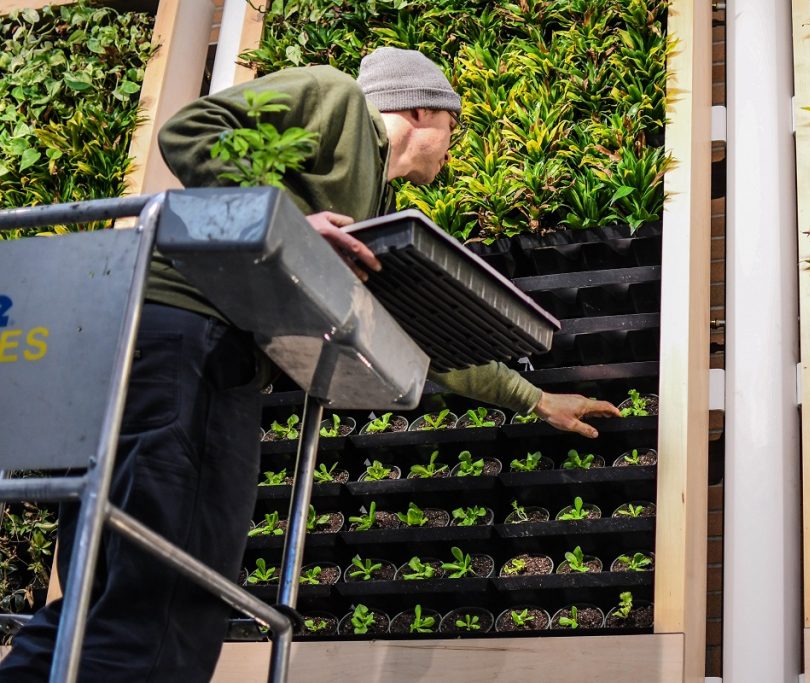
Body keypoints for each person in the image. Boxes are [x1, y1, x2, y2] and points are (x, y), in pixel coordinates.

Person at [0, 47, 619, 682]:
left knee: (93, 601)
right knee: (171, 601)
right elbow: (190, 129)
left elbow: (410, 339)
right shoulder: (339, 97)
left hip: (159, 353)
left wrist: (537, 400)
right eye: (454, 130)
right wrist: (292, 223)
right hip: (193, 342)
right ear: (423, 108)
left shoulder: (374, 214)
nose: (452, 151)